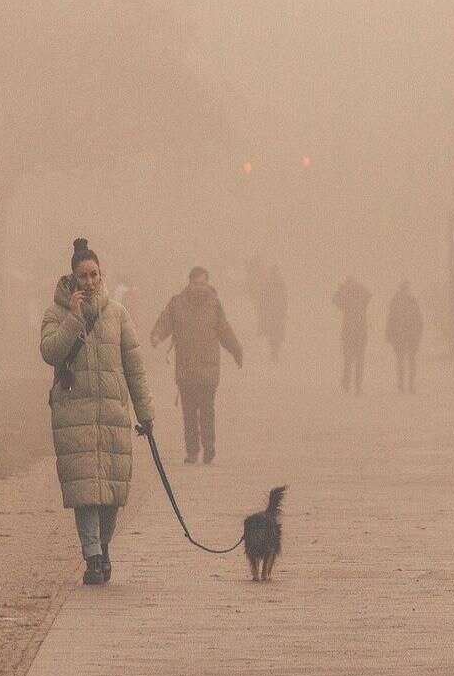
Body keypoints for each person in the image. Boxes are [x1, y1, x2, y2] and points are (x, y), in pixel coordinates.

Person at [40, 238, 155, 587]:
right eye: (82, 276)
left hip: (112, 415)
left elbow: (134, 366)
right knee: (86, 494)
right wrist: (73, 320)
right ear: (72, 280)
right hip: (74, 415)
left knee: (112, 495)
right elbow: (50, 353)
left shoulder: (117, 314)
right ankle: (92, 556)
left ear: (100, 275)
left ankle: (103, 546)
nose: (89, 282)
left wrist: (145, 412)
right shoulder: (55, 314)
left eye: (93, 275)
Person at [151, 266, 243, 465]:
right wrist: (157, 335)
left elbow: (224, 330)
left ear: (207, 284)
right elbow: (165, 321)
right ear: (189, 282)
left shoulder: (214, 305)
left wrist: (236, 350)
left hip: (208, 368)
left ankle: (209, 447)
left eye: (203, 284)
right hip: (185, 369)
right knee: (189, 413)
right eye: (196, 283)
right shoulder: (177, 304)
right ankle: (192, 451)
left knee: (207, 410)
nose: (200, 288)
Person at [333, 276, 371, 394]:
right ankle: (357, 385)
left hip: (349, 332)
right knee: (359, 360)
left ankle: (347, 383)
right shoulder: (361, 298)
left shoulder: (346, 300)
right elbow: (369, 295)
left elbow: (335, 300)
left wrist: (343, 288)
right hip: (360, 332)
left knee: (348, 359)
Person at [385, 280, 424, 393]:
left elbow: (390, 319)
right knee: (409, 360)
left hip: (401, 336)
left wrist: (389, 334)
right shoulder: (412, 301)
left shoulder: (396, 301)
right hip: (408, 336)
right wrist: (419, 333)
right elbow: (419, 319)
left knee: (402, 360)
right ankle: (409, 385)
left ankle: (403, 385)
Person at [261, 263, 288, 362]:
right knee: (276, 332)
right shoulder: (280, 283)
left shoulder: (268, 283)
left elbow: (263, 299)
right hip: (277, 312)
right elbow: (285, 298)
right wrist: (284, 310)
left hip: (273, 313)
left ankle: (274, 350)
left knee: (273, 332)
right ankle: (275, 351)